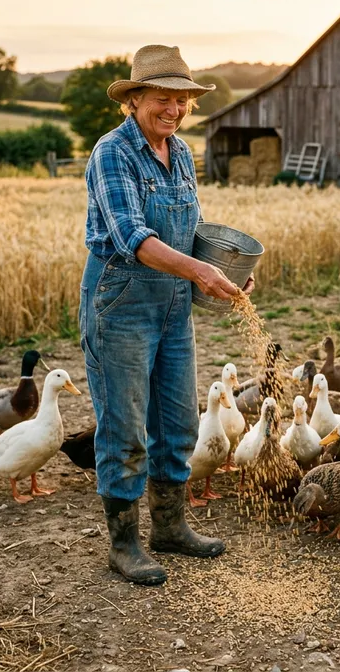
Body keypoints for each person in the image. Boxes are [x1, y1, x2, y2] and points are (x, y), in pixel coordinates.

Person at [79, 45, 254, 586]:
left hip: (173, 304)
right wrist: (199, 273)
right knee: (125, 427)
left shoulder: (179, 153)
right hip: (122, 301)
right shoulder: (113, 153)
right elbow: (135, 238)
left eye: (182, 100)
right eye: (162, 99)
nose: (174, 110)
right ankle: (124, 544)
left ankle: (170, 527)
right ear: (134, 100)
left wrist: (227, 270)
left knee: (178, 424)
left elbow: (192, 230)